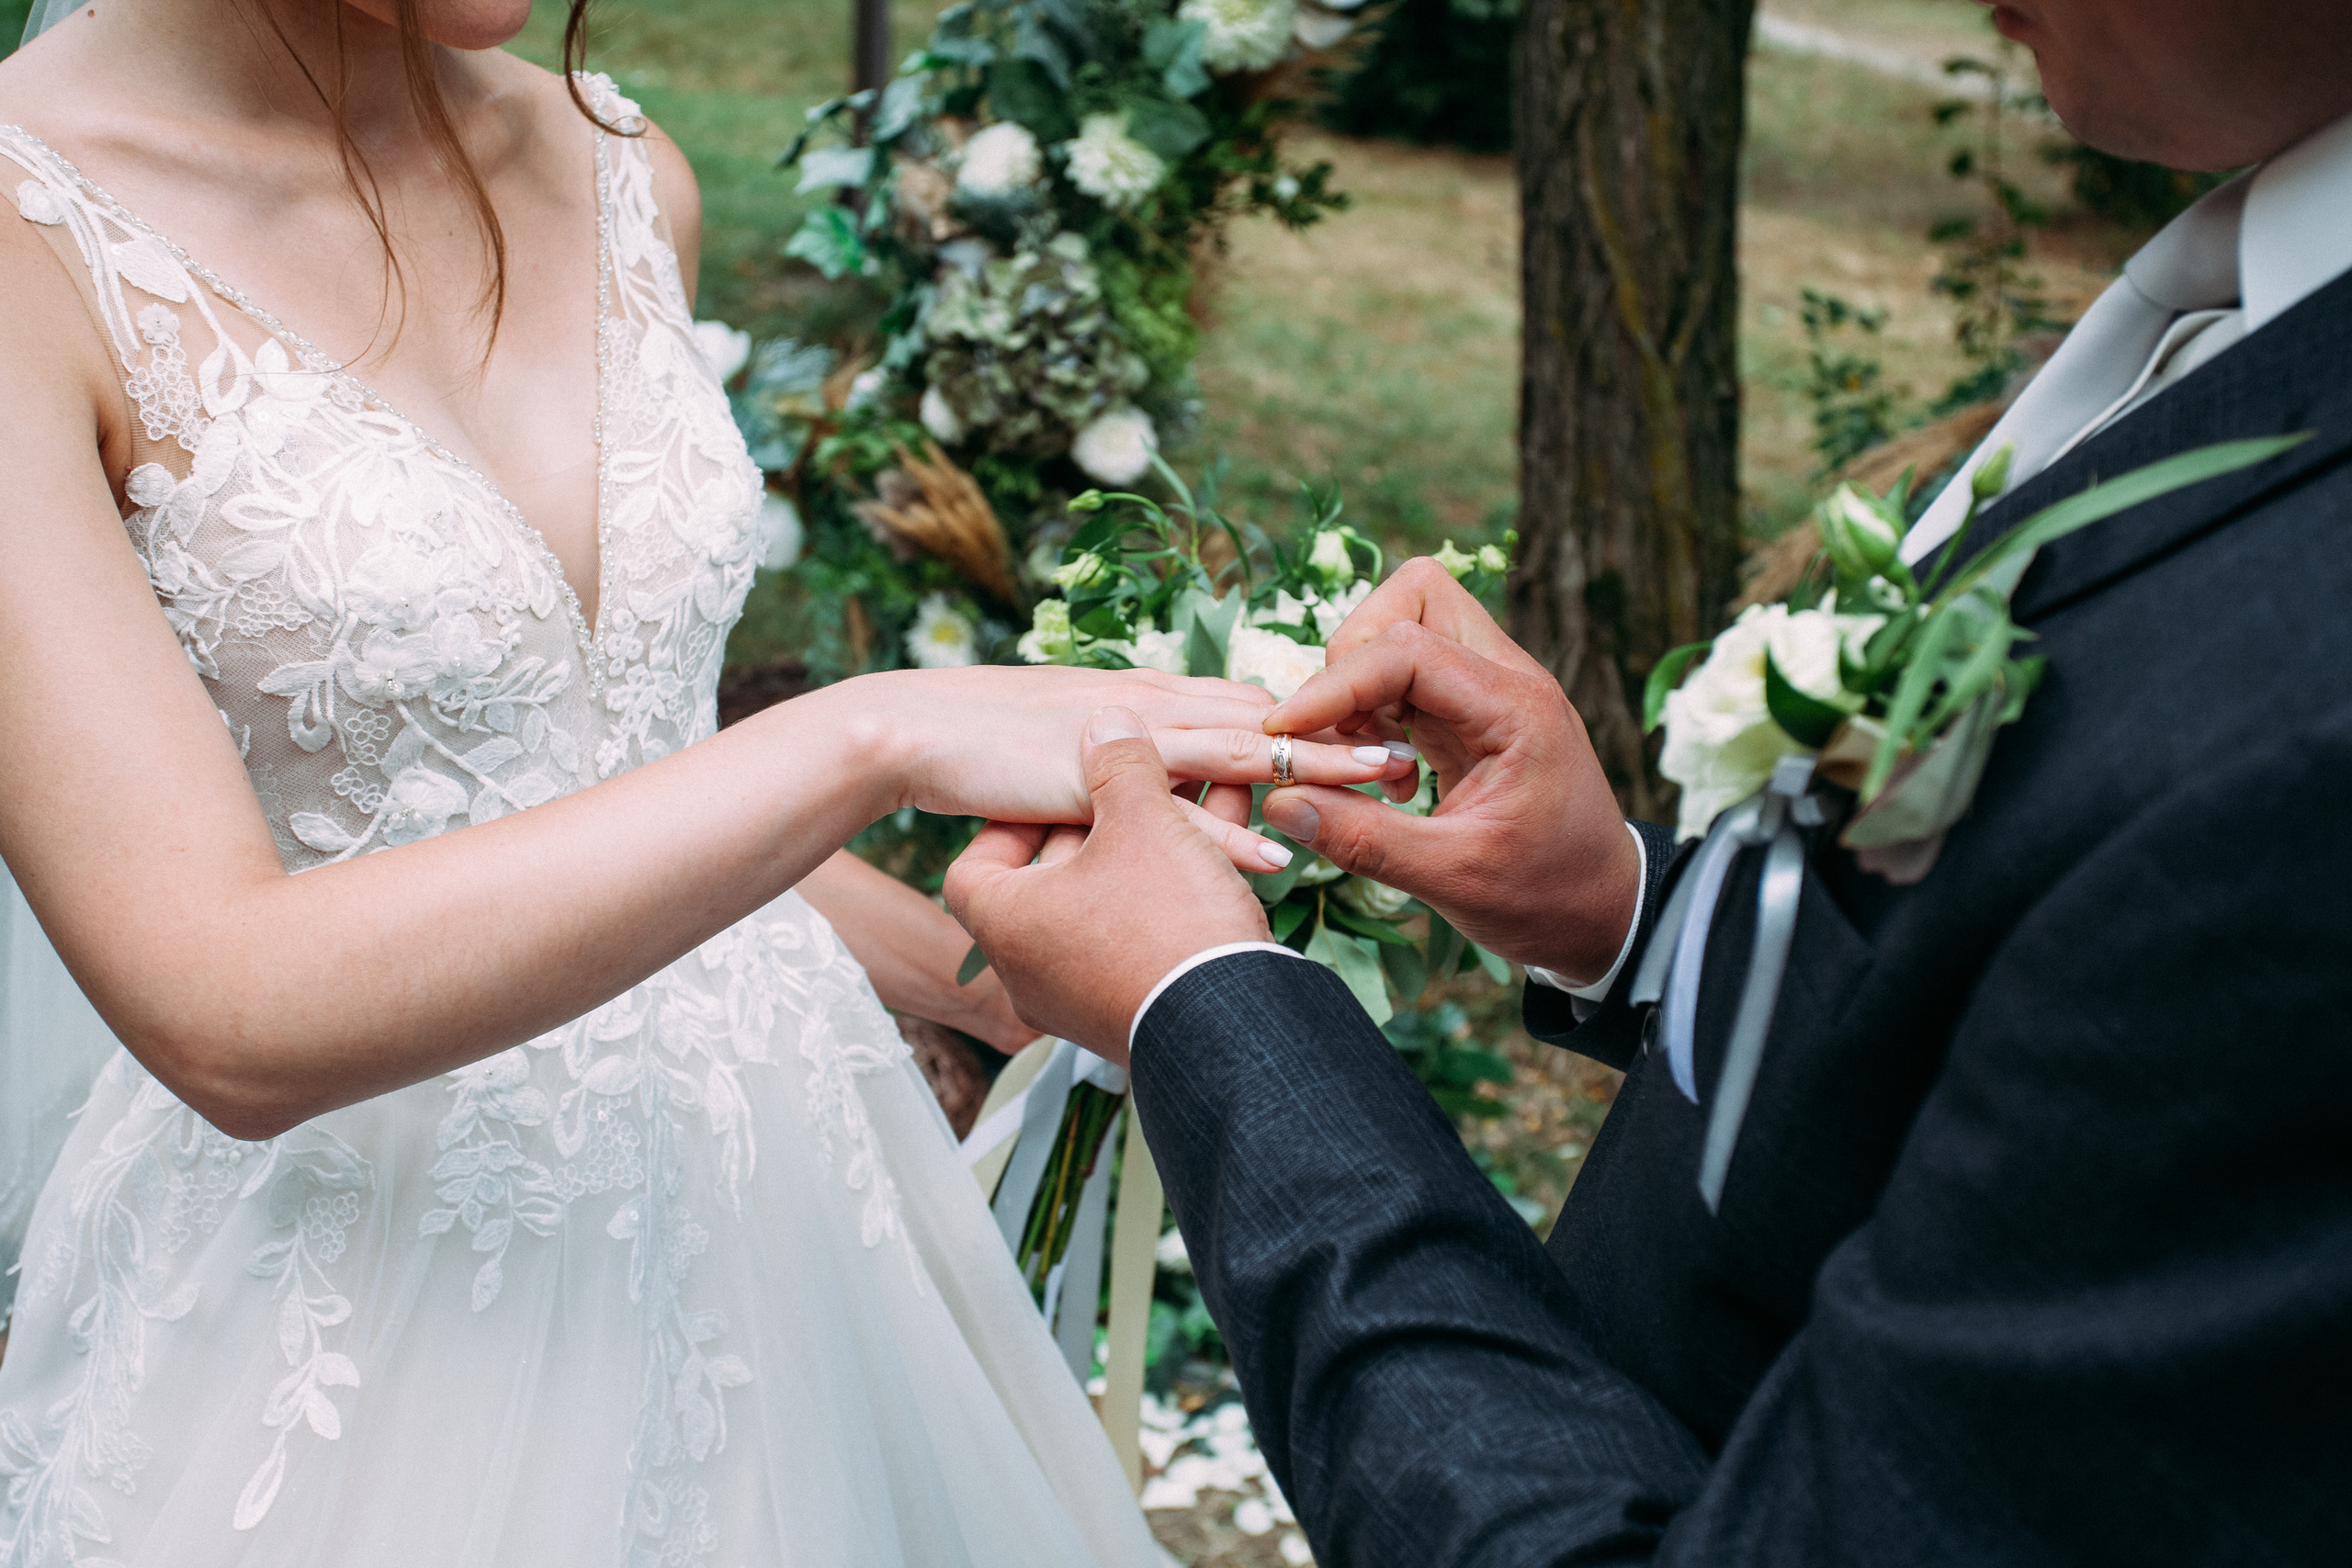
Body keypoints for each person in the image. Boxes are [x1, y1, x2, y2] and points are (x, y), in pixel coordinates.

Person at [0, 0, 1420, 1562]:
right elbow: (224, 1009)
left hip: (786, 1212)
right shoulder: (28, 239)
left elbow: (597, 776)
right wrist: (865, 735)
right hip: (348, 1318)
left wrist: (1003, 976)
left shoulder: (615, 165)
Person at [945, 1, 2352, 1561]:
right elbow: (2038, 1009)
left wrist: (1207, 1009)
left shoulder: (2316, 742)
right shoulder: (2260, 307)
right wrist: (1628, 910)